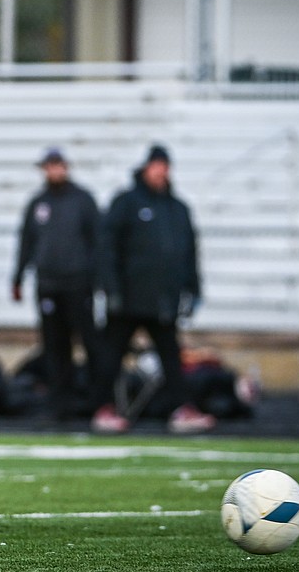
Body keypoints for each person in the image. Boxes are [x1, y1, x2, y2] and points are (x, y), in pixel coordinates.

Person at [90, 144, 215, 435]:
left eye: (165, 167)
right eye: (156, 166)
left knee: (171, 356)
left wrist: (193, 288)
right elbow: (107, 248)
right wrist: (111, 288)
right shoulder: (126, 202)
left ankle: (181, 408)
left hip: (162, 300)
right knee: (110, 355)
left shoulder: (177, 208)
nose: (161, 172)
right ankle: (102, 407)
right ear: (146, 168)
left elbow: (189, 252)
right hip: (128, 298)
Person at [11, 147, 104, 419]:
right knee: (54, 347)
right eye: (49, 167)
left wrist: (98, 280)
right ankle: (59, 403)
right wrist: (18, 277)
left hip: (78, 284)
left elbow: (97, 242)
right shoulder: (38, 203)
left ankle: (95, 401)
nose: (54, 171)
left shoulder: (83, 200)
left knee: (90, 344)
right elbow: (26, 243)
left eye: (58, 166)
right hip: (48, 285)